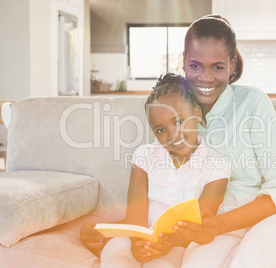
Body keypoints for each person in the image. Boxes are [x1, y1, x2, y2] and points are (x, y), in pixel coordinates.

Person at [169, 15, 276, 267]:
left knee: (250, 260)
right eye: (195, 65)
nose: (205, 78)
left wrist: (217, 224)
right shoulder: (172, 114)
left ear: (232, 65)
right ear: (184, 64)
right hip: (220, 230)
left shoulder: (253, 102)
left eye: (217, 67)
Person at [83, 73, 230, 267]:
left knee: (165, 264)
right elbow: (136, 213)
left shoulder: (217, 165)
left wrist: (167, 243)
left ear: (197, 112)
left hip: (177, 243)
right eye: (160, 130)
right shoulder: (145, 156)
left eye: (179, 121)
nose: (172, 135)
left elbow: (199, 223)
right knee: (116, 251)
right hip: (140, 234)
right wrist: (138, 241)